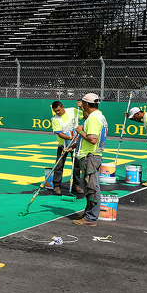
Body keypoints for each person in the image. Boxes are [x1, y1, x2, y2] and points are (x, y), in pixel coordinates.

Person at [72, 93, 108, 226]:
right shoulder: (100, 116)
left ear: (86, 104)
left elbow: (93, 139)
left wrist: (80, 131)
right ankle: (88, 213)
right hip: (92, 155)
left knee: (92, 187)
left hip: (90, 156)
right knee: (90, 186)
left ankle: (91, 218)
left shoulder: (93, 118)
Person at [50, 100, 82, 195]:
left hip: (75, 145)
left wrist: (82, 106)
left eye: (59, 110)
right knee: (59, 165)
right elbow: (59, 134)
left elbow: (85, 115)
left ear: (63, 107)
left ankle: (76, 185)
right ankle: (57, 186)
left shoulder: (73, 111)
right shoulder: (55, 119)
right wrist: (71, 138)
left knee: (76, 165)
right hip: (63, 145)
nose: (57, 112)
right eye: (56, 111)